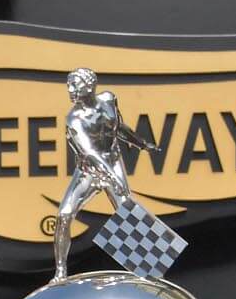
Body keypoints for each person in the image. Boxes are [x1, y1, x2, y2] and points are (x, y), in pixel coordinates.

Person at [52, 66, 159, 279]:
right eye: (68, 85)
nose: (70, 90)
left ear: (89, 86)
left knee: (127, 210)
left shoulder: (109, 100)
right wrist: (112, 177)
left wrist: (141, 144)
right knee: (64, 215)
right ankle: (61, 270)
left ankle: (147, 270)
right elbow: (89, 152)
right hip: (89, 171)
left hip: (112, 161)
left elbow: (117, 128)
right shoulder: (74, 119)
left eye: (75, 85)